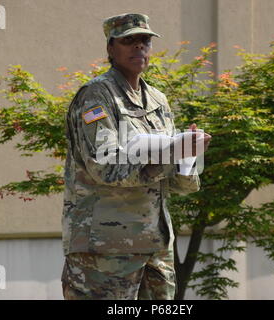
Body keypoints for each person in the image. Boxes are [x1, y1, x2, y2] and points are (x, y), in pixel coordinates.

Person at [61, 13, 212, 300]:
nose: (139, 47)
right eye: (129, 40)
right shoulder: (96, 95)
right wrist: (172, 152)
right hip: (105, 247)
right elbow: (105, 167)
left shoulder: (157, 100)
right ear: (110, 48)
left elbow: (180, 185)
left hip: (156, 246)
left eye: (144, 40)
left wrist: (188, 155)